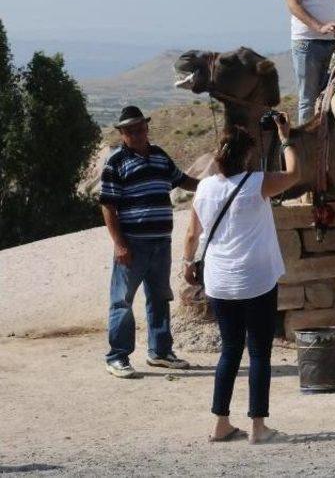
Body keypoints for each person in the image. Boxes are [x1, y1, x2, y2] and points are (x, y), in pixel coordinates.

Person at [182, 113, 300, 444]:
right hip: (257, 278)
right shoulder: (257, 182)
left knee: (230, 350)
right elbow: (295, 173)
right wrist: (285, 136)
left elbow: (192, 233)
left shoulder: (204, 187)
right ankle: (258, 427)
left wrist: (186, 263)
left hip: (220, 281)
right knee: (259, 351)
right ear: (246, 155)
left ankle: (220, 423)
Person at [100, 105, 199, 379]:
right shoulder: (115, 163)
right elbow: (108, 206)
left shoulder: (159, 156)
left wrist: (213, 184)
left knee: (159, 297)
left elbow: (182, 180)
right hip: (132, 244)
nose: (138, 134)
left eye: (141, 128)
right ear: (122, 134)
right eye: (131, 130)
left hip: (160, 243)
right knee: (122, 300)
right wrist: (119, 244)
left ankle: (160, 352)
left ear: (146, 128)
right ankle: (117, 356)